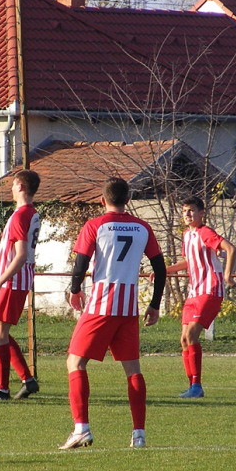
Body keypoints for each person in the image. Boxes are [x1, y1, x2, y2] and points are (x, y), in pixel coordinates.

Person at [60, 177, 166, 450]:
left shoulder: (95, 225)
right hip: (128, 308)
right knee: (133, 370)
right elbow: (160, 267)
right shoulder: (143, 227)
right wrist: (154, 304)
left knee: (75, 363)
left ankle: (81, 428)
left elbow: (81, 261)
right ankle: (139, 435)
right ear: (128, 200)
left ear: (102, 199)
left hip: (101, 305)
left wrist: (75, 289)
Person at [164, 197, 236, 398]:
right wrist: (165, 270)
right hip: (194, 292)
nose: (187, 215)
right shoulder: (187, 235)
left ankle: (197, 386)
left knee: (191, 336)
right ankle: (192, 386)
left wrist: (227, 275)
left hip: (209, 290)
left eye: (191, 211)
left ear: (201, 213)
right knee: (183, 339)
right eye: (184, 211)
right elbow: (189, 261)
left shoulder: (205, 232)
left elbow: (231, 249)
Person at [0, 169, 41, 400]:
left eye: (13, 184)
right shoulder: (29, 213)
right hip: (16, 279)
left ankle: (4, 389)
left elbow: (19, 255)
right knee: (0, 332)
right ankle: (27, 380)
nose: (11, 188)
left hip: (13, 280)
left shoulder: (20, 216)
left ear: (20, 187)